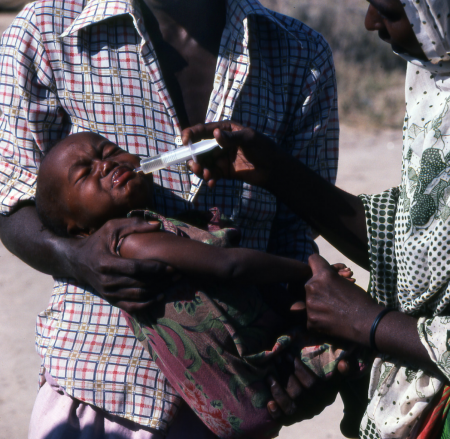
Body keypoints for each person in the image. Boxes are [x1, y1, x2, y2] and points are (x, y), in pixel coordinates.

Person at [0, 0, 339, 438]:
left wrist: (296, 352)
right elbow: (13, 207)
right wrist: (78, 259)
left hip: (236, 399)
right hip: (95, 396)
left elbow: (297, 234)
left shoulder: (297, 55)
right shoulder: (45, 37)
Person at [184, 0, 450, 439]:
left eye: (389, 8)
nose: (369, 26)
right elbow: (417, 240)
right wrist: (276, 170)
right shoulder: (441, 87)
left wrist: (371, 324)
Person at [34, 130, 357, 438]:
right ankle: (357, 410)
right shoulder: (132, 243)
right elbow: (230, 266)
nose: (106, 164)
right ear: (76, 231)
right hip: (240, 394)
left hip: (258, 380)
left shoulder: (160, 228)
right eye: (84, 173)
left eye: (109, 151)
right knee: (356, 339)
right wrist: (308, 271)